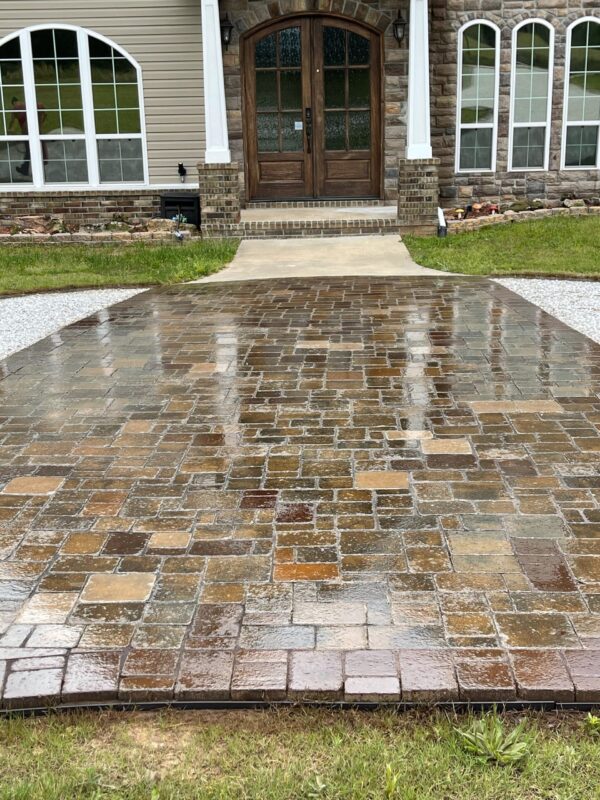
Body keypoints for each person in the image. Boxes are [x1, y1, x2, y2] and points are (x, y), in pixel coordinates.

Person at [10, 96, 48, 177]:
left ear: (13, 103)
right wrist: (41, 123)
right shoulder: (37, 105)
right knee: (40, 147)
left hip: (26, 131)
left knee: (28, 150)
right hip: (38, 129)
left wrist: (9, 129)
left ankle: (25, 169)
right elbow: (45, 115)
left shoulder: (14, 108)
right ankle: (42, 164)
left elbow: (12, 121)